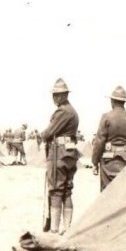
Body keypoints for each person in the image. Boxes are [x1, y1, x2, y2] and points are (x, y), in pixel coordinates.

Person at [41, 78, 80, 234]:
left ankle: (54, 230)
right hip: (69, 152)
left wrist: (43, 135)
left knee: (57, 189)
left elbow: (48, 133)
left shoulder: (63, 111)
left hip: (59, 152)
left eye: (57, 95)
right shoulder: (72, 111)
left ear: (64, 95)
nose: (55, 98)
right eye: (54, 95)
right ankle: (67, 229)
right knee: (66, 190)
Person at [91, 86, 126, 191]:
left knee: (107, 194)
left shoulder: (106, 117)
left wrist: (94, 162)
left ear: (112, 101)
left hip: (108, 162)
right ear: (124, 102)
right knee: (124, 193)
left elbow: (99, 142)